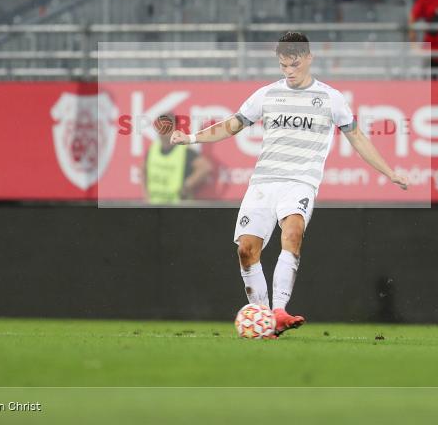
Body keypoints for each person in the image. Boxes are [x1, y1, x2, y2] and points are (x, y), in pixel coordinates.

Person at [169, 32, 409, 336]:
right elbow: (231, 125)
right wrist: (190, 137)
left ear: (309, 58)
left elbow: (358, 138)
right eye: (283, 65)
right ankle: (266, 321)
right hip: (263, 183)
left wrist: (390, 172)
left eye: (294, 64)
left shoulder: (330, 98)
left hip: (300, 182)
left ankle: (279, 310)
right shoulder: (266, 94)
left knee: (292, 231)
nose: (289, 70)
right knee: (246, 250)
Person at [143, 113, 213, 204]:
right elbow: (143, 169)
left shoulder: (184, 150)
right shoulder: (153, 148)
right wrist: (146, 195)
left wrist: (186, 186)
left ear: (174, 128)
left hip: (177, 206)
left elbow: (205, 167)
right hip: (155, 205)